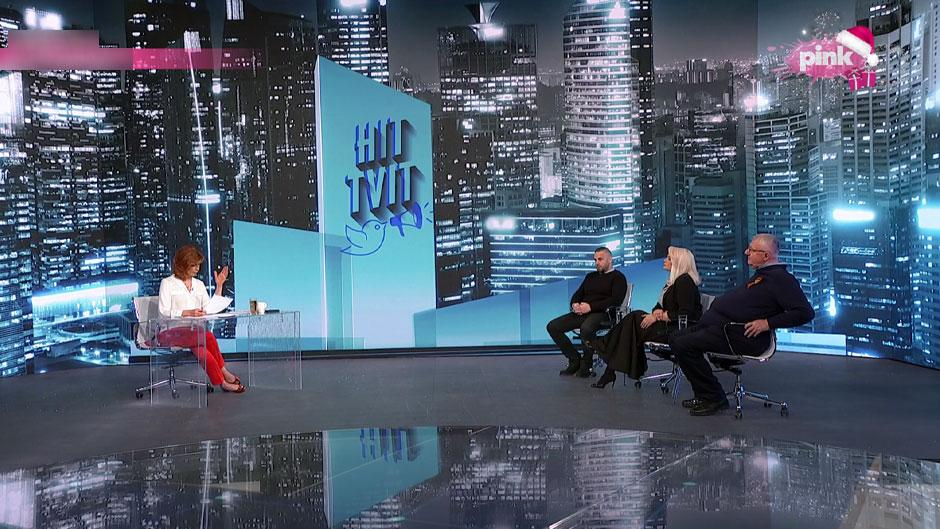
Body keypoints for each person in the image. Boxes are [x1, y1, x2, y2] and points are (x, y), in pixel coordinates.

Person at [669, 234, 814, 416]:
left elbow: (805, 312)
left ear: (766, 256)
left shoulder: (782, 279)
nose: (746, 252)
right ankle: (703, 393)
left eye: (751, 250)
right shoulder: (763, 275)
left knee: (683, 345)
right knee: (675, 338)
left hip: (741, 336)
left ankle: (713, 397)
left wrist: (767, 323)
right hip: (724, 329)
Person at [590, 246, 702, 388]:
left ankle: (605, 348)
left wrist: (659, 317)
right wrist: (656, 313)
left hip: (677, 331)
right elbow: (658, 306)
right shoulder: (673, 282)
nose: (665, 260)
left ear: (678, 262)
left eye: (669, 258)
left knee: (633, 320)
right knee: (633, 322)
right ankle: (610, 368)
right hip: (667, 325)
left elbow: (687, 313)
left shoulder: (684, 281)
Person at [157, 245, 245, 394]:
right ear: (183, 264)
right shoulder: (167, 283)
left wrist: (219, 286)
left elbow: (209, 308)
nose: (197, 268)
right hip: (170, 332)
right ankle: (224, 374)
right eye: (193, 265)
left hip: (193, 332)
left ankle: (222, 381)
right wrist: (186, 313)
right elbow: (163, 312)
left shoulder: (199, 284)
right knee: (207, 337)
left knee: (201, 349)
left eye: (198, 265)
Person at [546, 247, 628, 377]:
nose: (597, 263)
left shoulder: (618, 278)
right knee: (553, 326)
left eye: (600, 259)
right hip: (583, 313)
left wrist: (590, 307)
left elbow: (615, 300)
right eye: (595, 260)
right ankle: (574, 360)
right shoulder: (591, 276)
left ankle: (587, 364)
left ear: (610, 259)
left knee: (586, 329)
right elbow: (578, 294)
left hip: (604, 314)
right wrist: (575, 304)